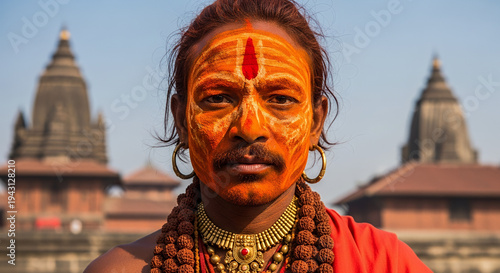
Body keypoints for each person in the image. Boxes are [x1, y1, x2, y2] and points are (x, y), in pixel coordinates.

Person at [85, 0, 433, 272]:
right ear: (181, 119)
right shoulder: (121, 269)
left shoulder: (384, 263)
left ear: (316, 122)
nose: (249, 129)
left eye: (280, 99)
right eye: (218, 98)